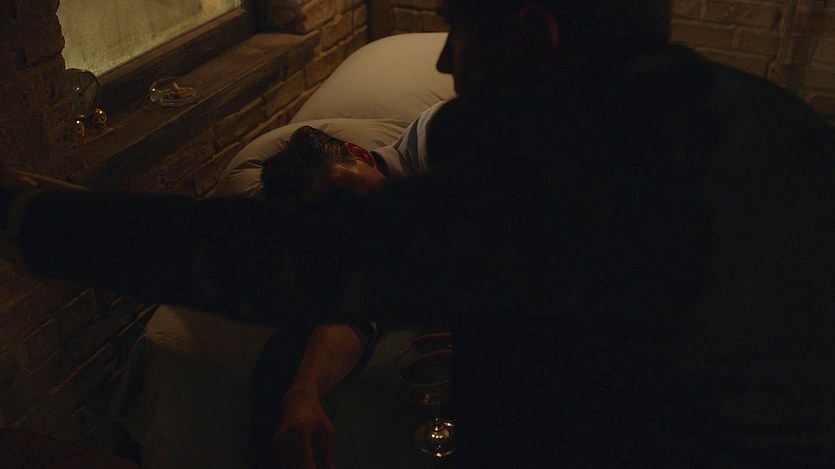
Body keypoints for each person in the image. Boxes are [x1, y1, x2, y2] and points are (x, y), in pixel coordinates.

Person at [2, 1, 835, 467]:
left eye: (459, 31)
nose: (442, 64)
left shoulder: (581, 166)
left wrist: (26, 216)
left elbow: (289, 259)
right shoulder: (759, 117)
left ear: (533, 34)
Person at [252, 100, 444, 469]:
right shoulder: (352, 234)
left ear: (359, 155)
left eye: (344, 194)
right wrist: (303, 392)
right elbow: (352, 309)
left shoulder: (436, 145)